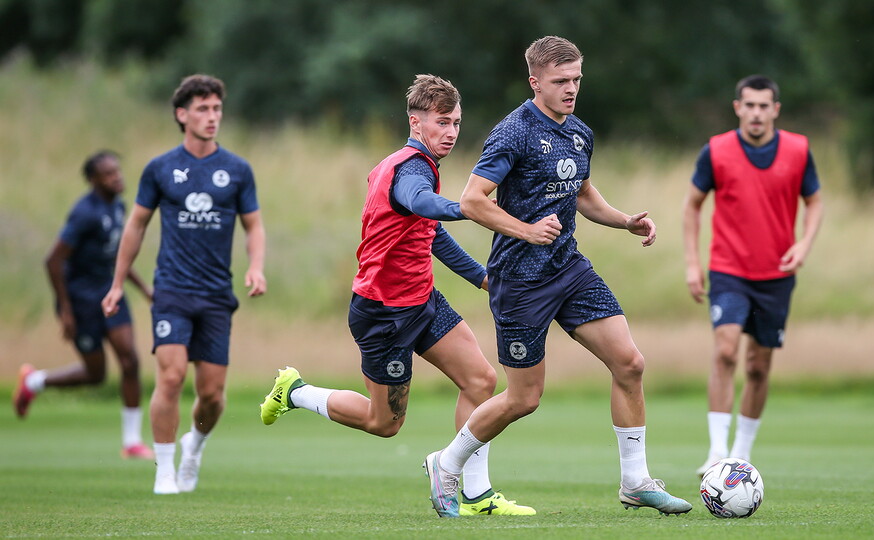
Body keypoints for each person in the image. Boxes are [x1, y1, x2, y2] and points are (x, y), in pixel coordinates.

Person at [423, 36, 692, 516]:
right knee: (524, 398)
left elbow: (582, 193)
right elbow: (471, 200)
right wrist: (527, 230)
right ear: (535, 82)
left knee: (629, 363)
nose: (571, 90)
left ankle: (636, 482)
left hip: (569, 269)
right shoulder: (514, 133)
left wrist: (625, 220)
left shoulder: (579, 132)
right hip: (519, 282)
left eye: (576, 80)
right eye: (561, 82)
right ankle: (446, 463)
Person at [259, 74, 534, 517]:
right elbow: (420, 203)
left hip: (422, 301)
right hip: (381, 313)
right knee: (383, 423)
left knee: (481, 380)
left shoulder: (419, 166)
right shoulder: (409, 168)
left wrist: (483, 279)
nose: (451, 132)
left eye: (457, 123)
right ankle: (296, 391)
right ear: (416, 121)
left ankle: (477, 494)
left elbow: (430, 234)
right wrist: (468, 207)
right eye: (442, 122)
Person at [101, 74, 267, 495]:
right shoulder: (159, 169)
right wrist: (118, 284)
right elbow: (136, 226)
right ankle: (164, 468)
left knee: (212, 395)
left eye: (216, 109)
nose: (212, 117)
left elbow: (253, 226)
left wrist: (256, 266)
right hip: (171, 291)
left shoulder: (236, 170)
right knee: (171, 377)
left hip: (216, 295)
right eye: (203, 109)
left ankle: (195, 445)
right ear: (182, 114)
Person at [681, 75, 824, 476]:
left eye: (764, 106)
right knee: (726, 351)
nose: (756, 113)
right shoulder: (717, 150)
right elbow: (692, 205)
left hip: (776, 274)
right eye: (750, 105)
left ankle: (741, 454)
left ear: (775, 110)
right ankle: (716, 452)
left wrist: (804, 243)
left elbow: (814, 202)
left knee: (759, 366)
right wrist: (693, 263)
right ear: (737, 107)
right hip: (728, 270)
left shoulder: (798, 150)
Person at [14, 150, 154, 460]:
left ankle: (131, 442)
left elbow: (118, 254)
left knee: (130, 360)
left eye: (117, 170)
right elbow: (52, 261)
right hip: (81, 301)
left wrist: (144, 289)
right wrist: (65, 309)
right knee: (96, 375)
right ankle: (34, 381)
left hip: (110, 293)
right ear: (93, 180)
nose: (117, 177)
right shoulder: (84, 214)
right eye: (108, 174)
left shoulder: (118, 207)